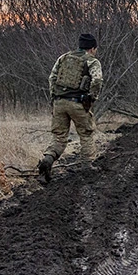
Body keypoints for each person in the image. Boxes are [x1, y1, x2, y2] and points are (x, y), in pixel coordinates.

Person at [38, 33, 104, 182]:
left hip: (59, 102)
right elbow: (98, 79)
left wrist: (54, 98)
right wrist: (92, 97)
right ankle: (87, 166)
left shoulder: (64, 57)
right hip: (78, 103)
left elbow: (52, 78)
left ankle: (48, 160)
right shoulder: (92, 61)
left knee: (59, 137)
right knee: (86, 134)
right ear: (92, 48)